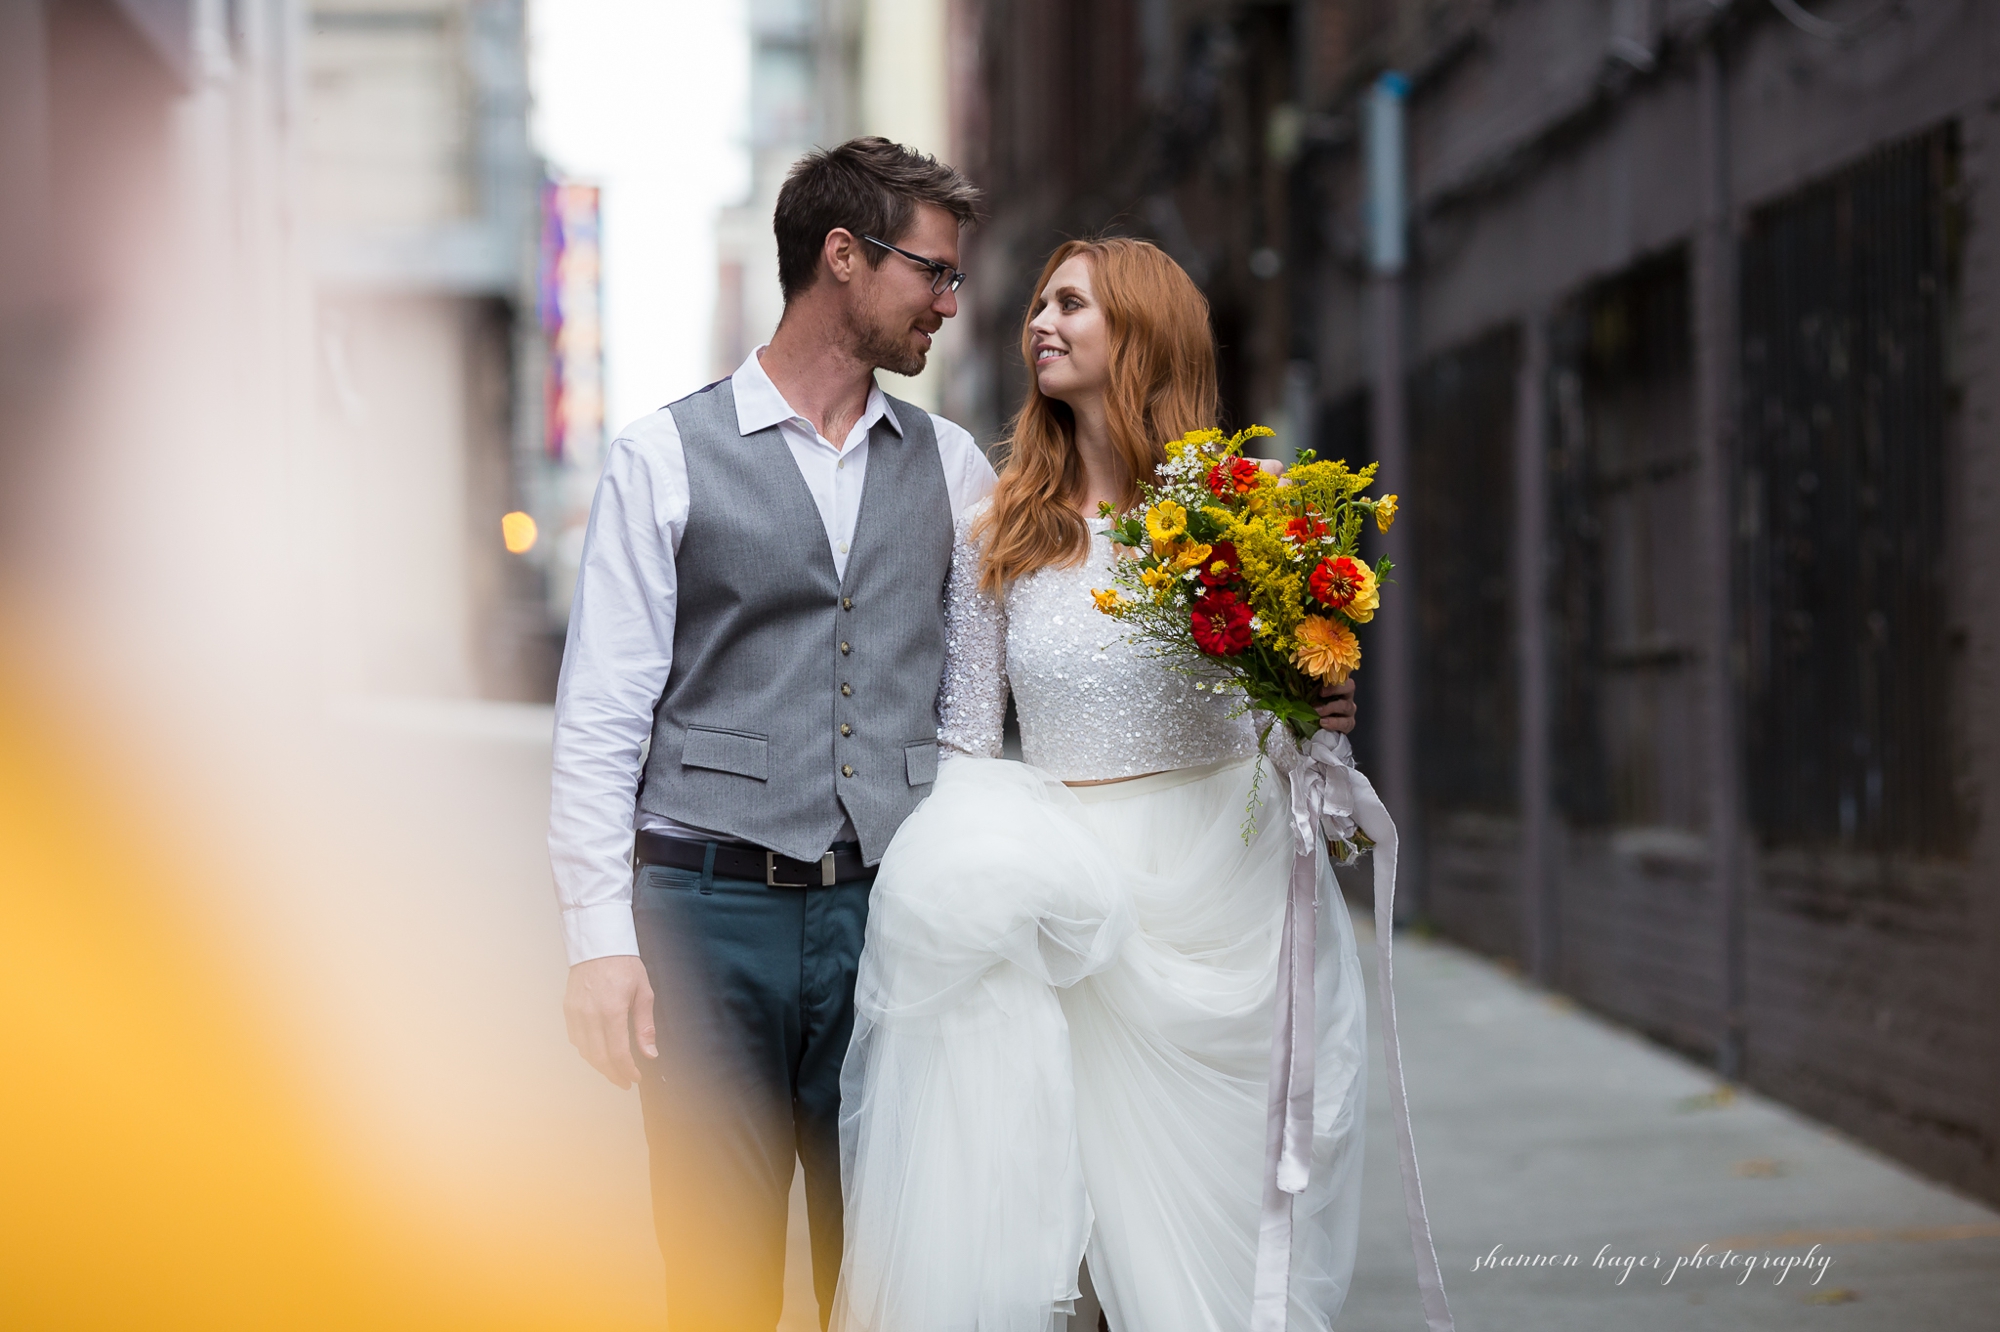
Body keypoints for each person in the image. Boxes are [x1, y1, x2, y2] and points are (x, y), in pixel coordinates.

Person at [830, 237, 1367, 1332]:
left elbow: (1285, 710)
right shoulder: (1000, 530)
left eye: (1071, 304)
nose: (1042, 321)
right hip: (1068, 904)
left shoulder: (1242, 508)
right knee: (1061, 1240)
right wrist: (964, 893)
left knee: (1216, 1231)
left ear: (1141, 330)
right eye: (1039, 303)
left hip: (1225, 889)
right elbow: (970, 742)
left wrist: (1318, 720)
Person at [547, 137, 995, 1329]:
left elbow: (989, 699)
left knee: (891, 1270)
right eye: (932, 273)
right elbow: (599, 716)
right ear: (842, 257)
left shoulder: (952, 468)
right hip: (705, 919)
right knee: (715, 1277)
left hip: (891, 915)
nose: (948, 303)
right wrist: (597, 939)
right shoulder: (661, 456)